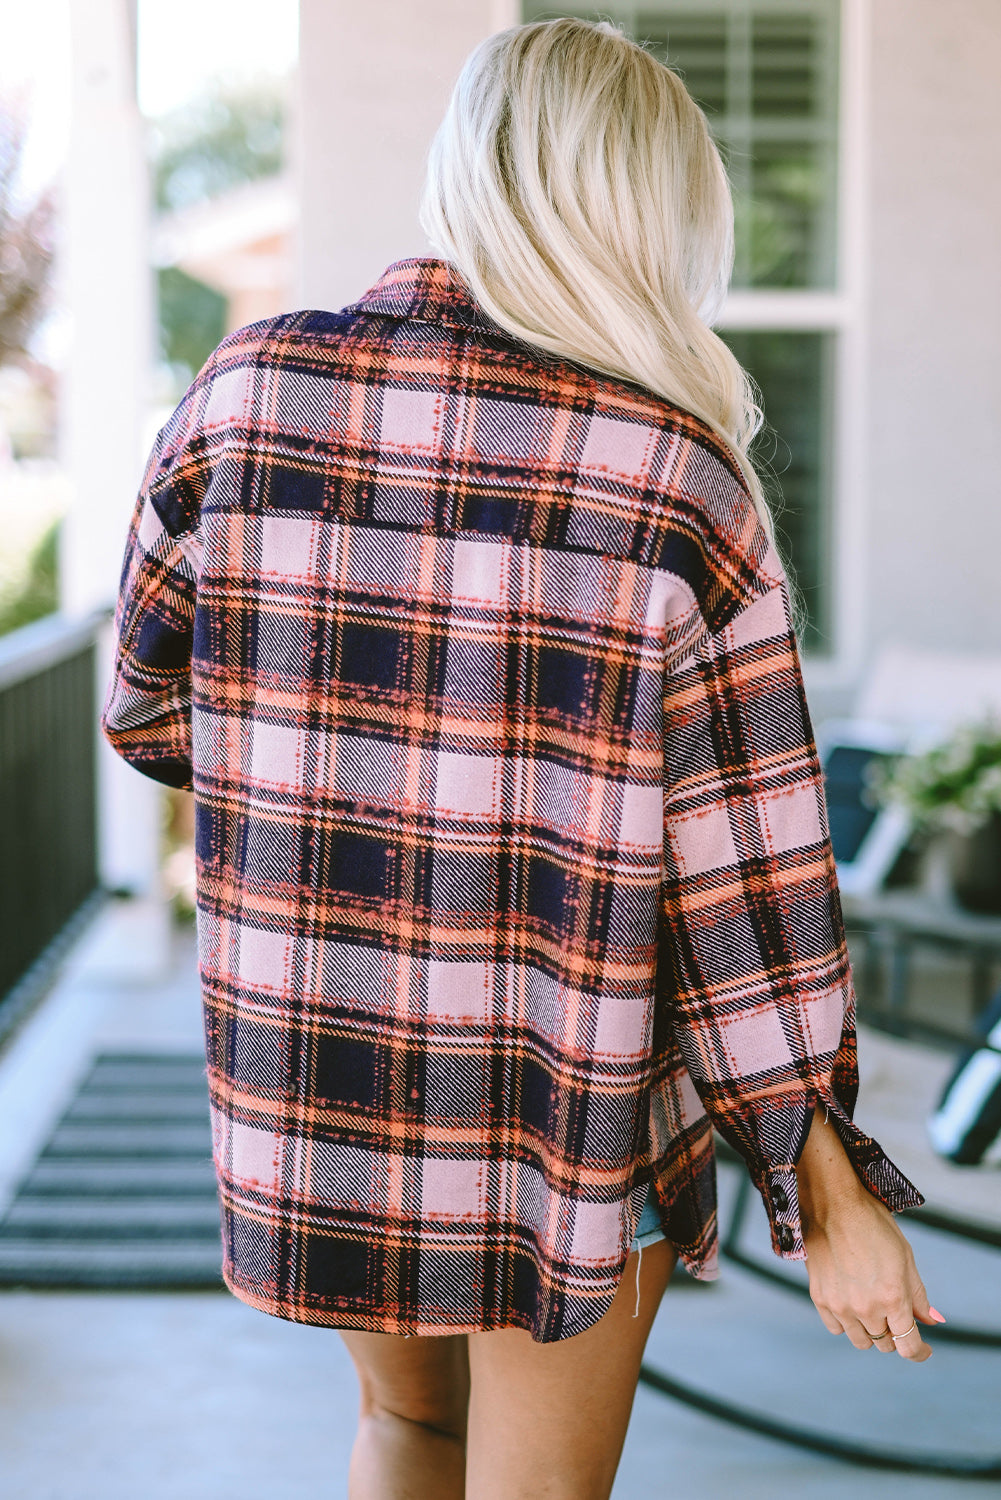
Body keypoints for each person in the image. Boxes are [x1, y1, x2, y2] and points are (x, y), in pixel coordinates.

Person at [101, 18, 944, 1500]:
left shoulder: (243, 397)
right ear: (646, 216)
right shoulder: (673, 480)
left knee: (404, 1433)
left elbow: (149, 707)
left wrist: (335, 804)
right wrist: (828, 1185)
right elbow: (740, 899)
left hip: (326, 1076)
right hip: (568, 1099)